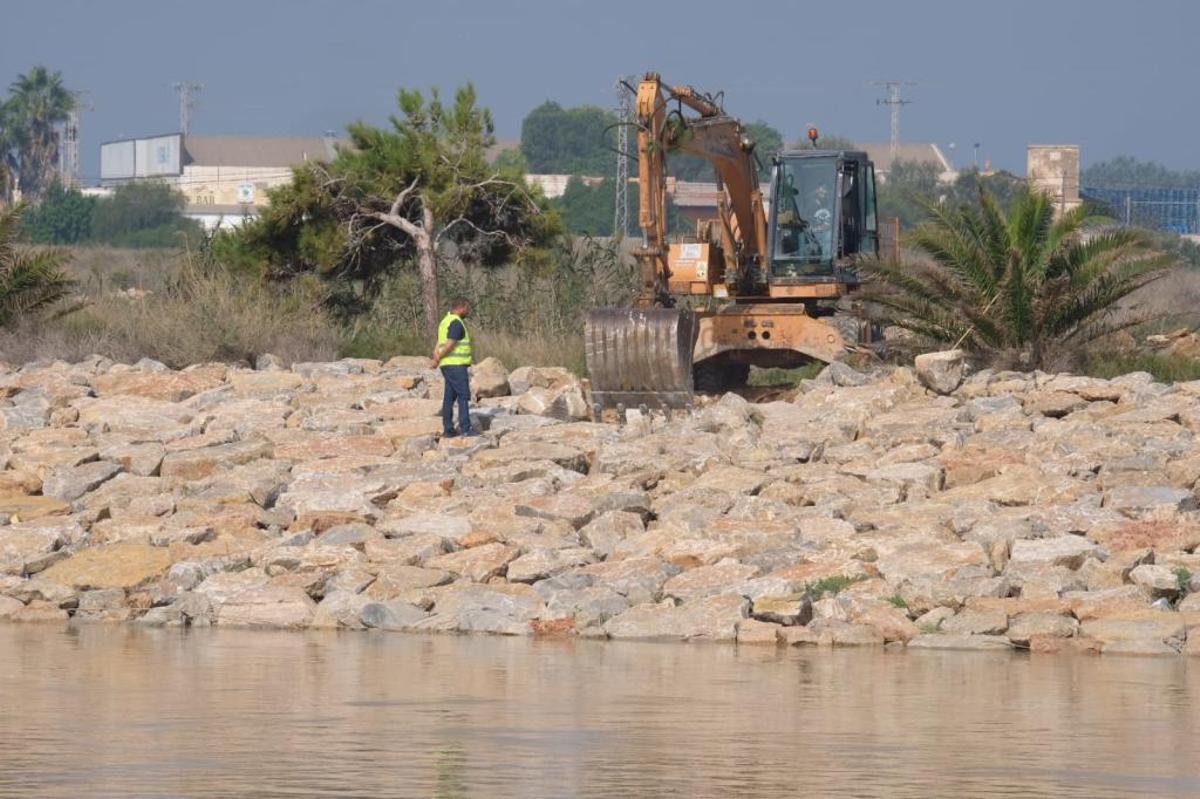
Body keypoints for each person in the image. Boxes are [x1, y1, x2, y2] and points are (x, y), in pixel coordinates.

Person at [431, 298, 479, 438]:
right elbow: (450, 344)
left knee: (449, 397)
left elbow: (439, 343)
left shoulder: (444, 321)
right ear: (461, 308)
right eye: (467, 308)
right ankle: (466, 428)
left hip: (447, 365)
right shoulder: (456, 323)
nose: (468, 311)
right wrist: (437, 358)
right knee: (463, 396)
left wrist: (437, 358)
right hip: (456, 365)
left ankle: (448, 430)